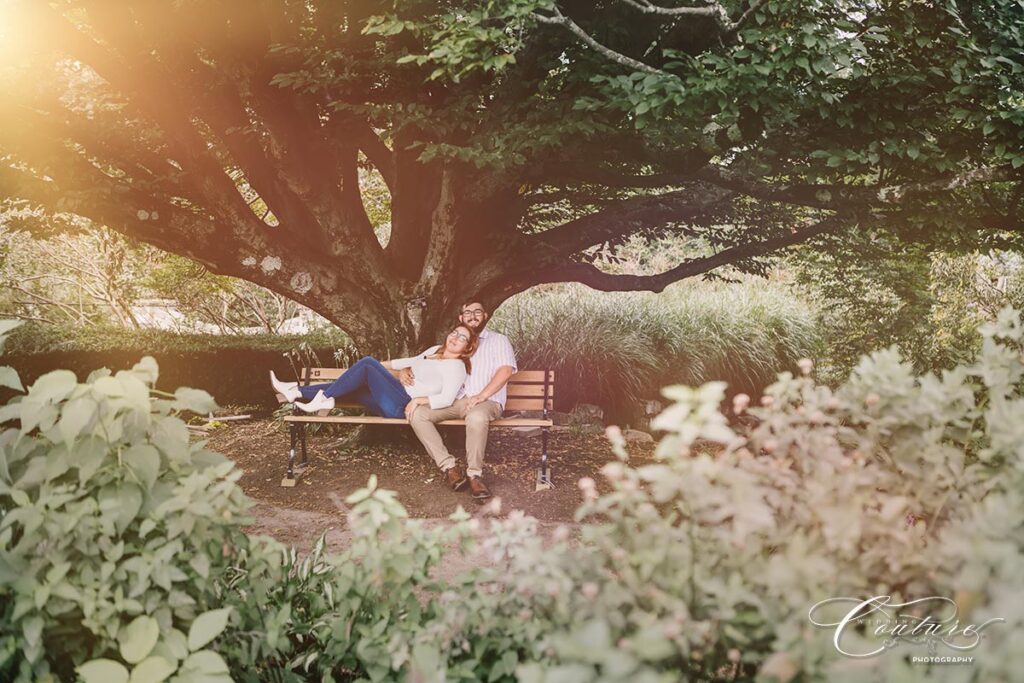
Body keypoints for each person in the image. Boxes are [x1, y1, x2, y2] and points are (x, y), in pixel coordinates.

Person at [403, 300, 516, 501]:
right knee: (418, 414)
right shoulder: (455, 343)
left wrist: (481, 396)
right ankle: (450, 468)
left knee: (476, 418)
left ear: (486, 315)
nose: (473, 316)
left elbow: (505, 370)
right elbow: (421, 363)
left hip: (486, 401)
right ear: (461, 318)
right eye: (468, 312)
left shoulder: (498, 340)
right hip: (454, 401)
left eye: (477, 312)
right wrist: (405, 370)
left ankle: (474, 475)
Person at [269, 325, 478, 419]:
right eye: (454, 332)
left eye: (462, 338)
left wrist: (419, 401)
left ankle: (321, 397)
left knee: (367, 363)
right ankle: (296, 391)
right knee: (359, 385)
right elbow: (408, 361)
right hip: (395, 395)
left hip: (401, 405)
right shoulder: (434, 351)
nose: (455, 338)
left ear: (467, 347)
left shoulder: (456, 367)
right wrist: (379, 366)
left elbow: (447, 399)